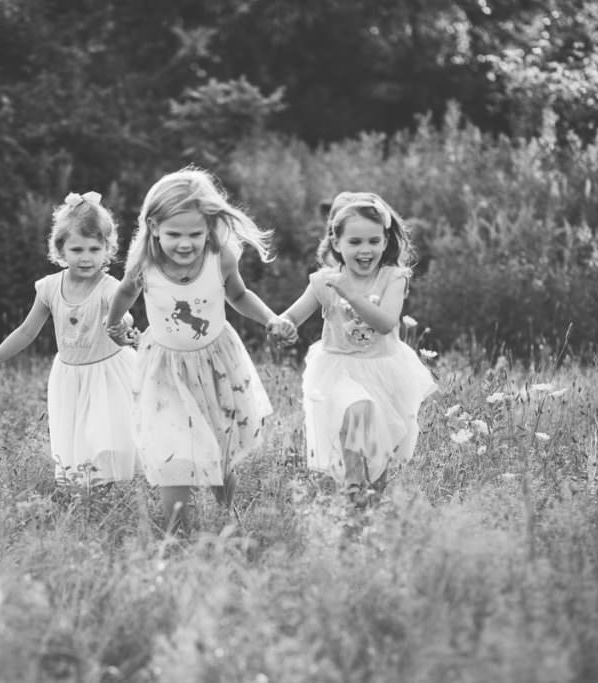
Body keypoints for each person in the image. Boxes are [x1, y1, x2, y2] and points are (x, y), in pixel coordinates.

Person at [104, 167, 296, 532]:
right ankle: (177, 534)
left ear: (209, 227)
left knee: (219, 450)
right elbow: (126, 291)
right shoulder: (145, 263)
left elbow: (238, 294)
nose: (185, 243)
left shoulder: (220, 257)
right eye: (174, 234)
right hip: (164, 368)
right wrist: (113, 323)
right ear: (153, 227)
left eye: (195, 233)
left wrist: (270, 319)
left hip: (215, 363)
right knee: (172, 450)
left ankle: (224, 519)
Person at [271, 191, 437, 507]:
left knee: (380, 445)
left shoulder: (393, 278)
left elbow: (386, 323)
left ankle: (368, 505)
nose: (365, 249)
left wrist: (352, 295)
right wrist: (282, 325)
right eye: (355, 241)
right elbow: (293, 315)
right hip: (339, 369)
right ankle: (352, 483)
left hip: (384, 370)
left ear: (385, 242)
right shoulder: (325, 281)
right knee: (356, 409)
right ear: (337, 243)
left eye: (374, 241)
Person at [0, 191, 139, 488]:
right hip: (70, 377)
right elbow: (26, 331)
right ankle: (86, 493)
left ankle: (111, 490)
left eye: (94, 249)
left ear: (107, 249)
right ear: (60, 250)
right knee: (78, 441)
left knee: (106, 437)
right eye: (77, 249)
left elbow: (123, 314)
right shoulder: (49, 288)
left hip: (107, 375)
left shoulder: (108, 287)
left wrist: (122, 325)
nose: (86, 257)